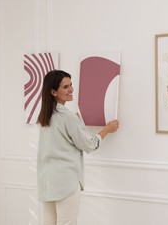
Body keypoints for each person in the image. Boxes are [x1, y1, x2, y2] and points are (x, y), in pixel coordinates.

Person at [37, 70, 119, 225]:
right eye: (65, 87)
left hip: (46, 182)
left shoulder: (44, 116)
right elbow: (88, 145)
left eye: (71, 85)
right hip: (66, 183)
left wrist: (78, 123)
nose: (71, 89)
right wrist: (107, 129)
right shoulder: (67, 117)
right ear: (53, 92)